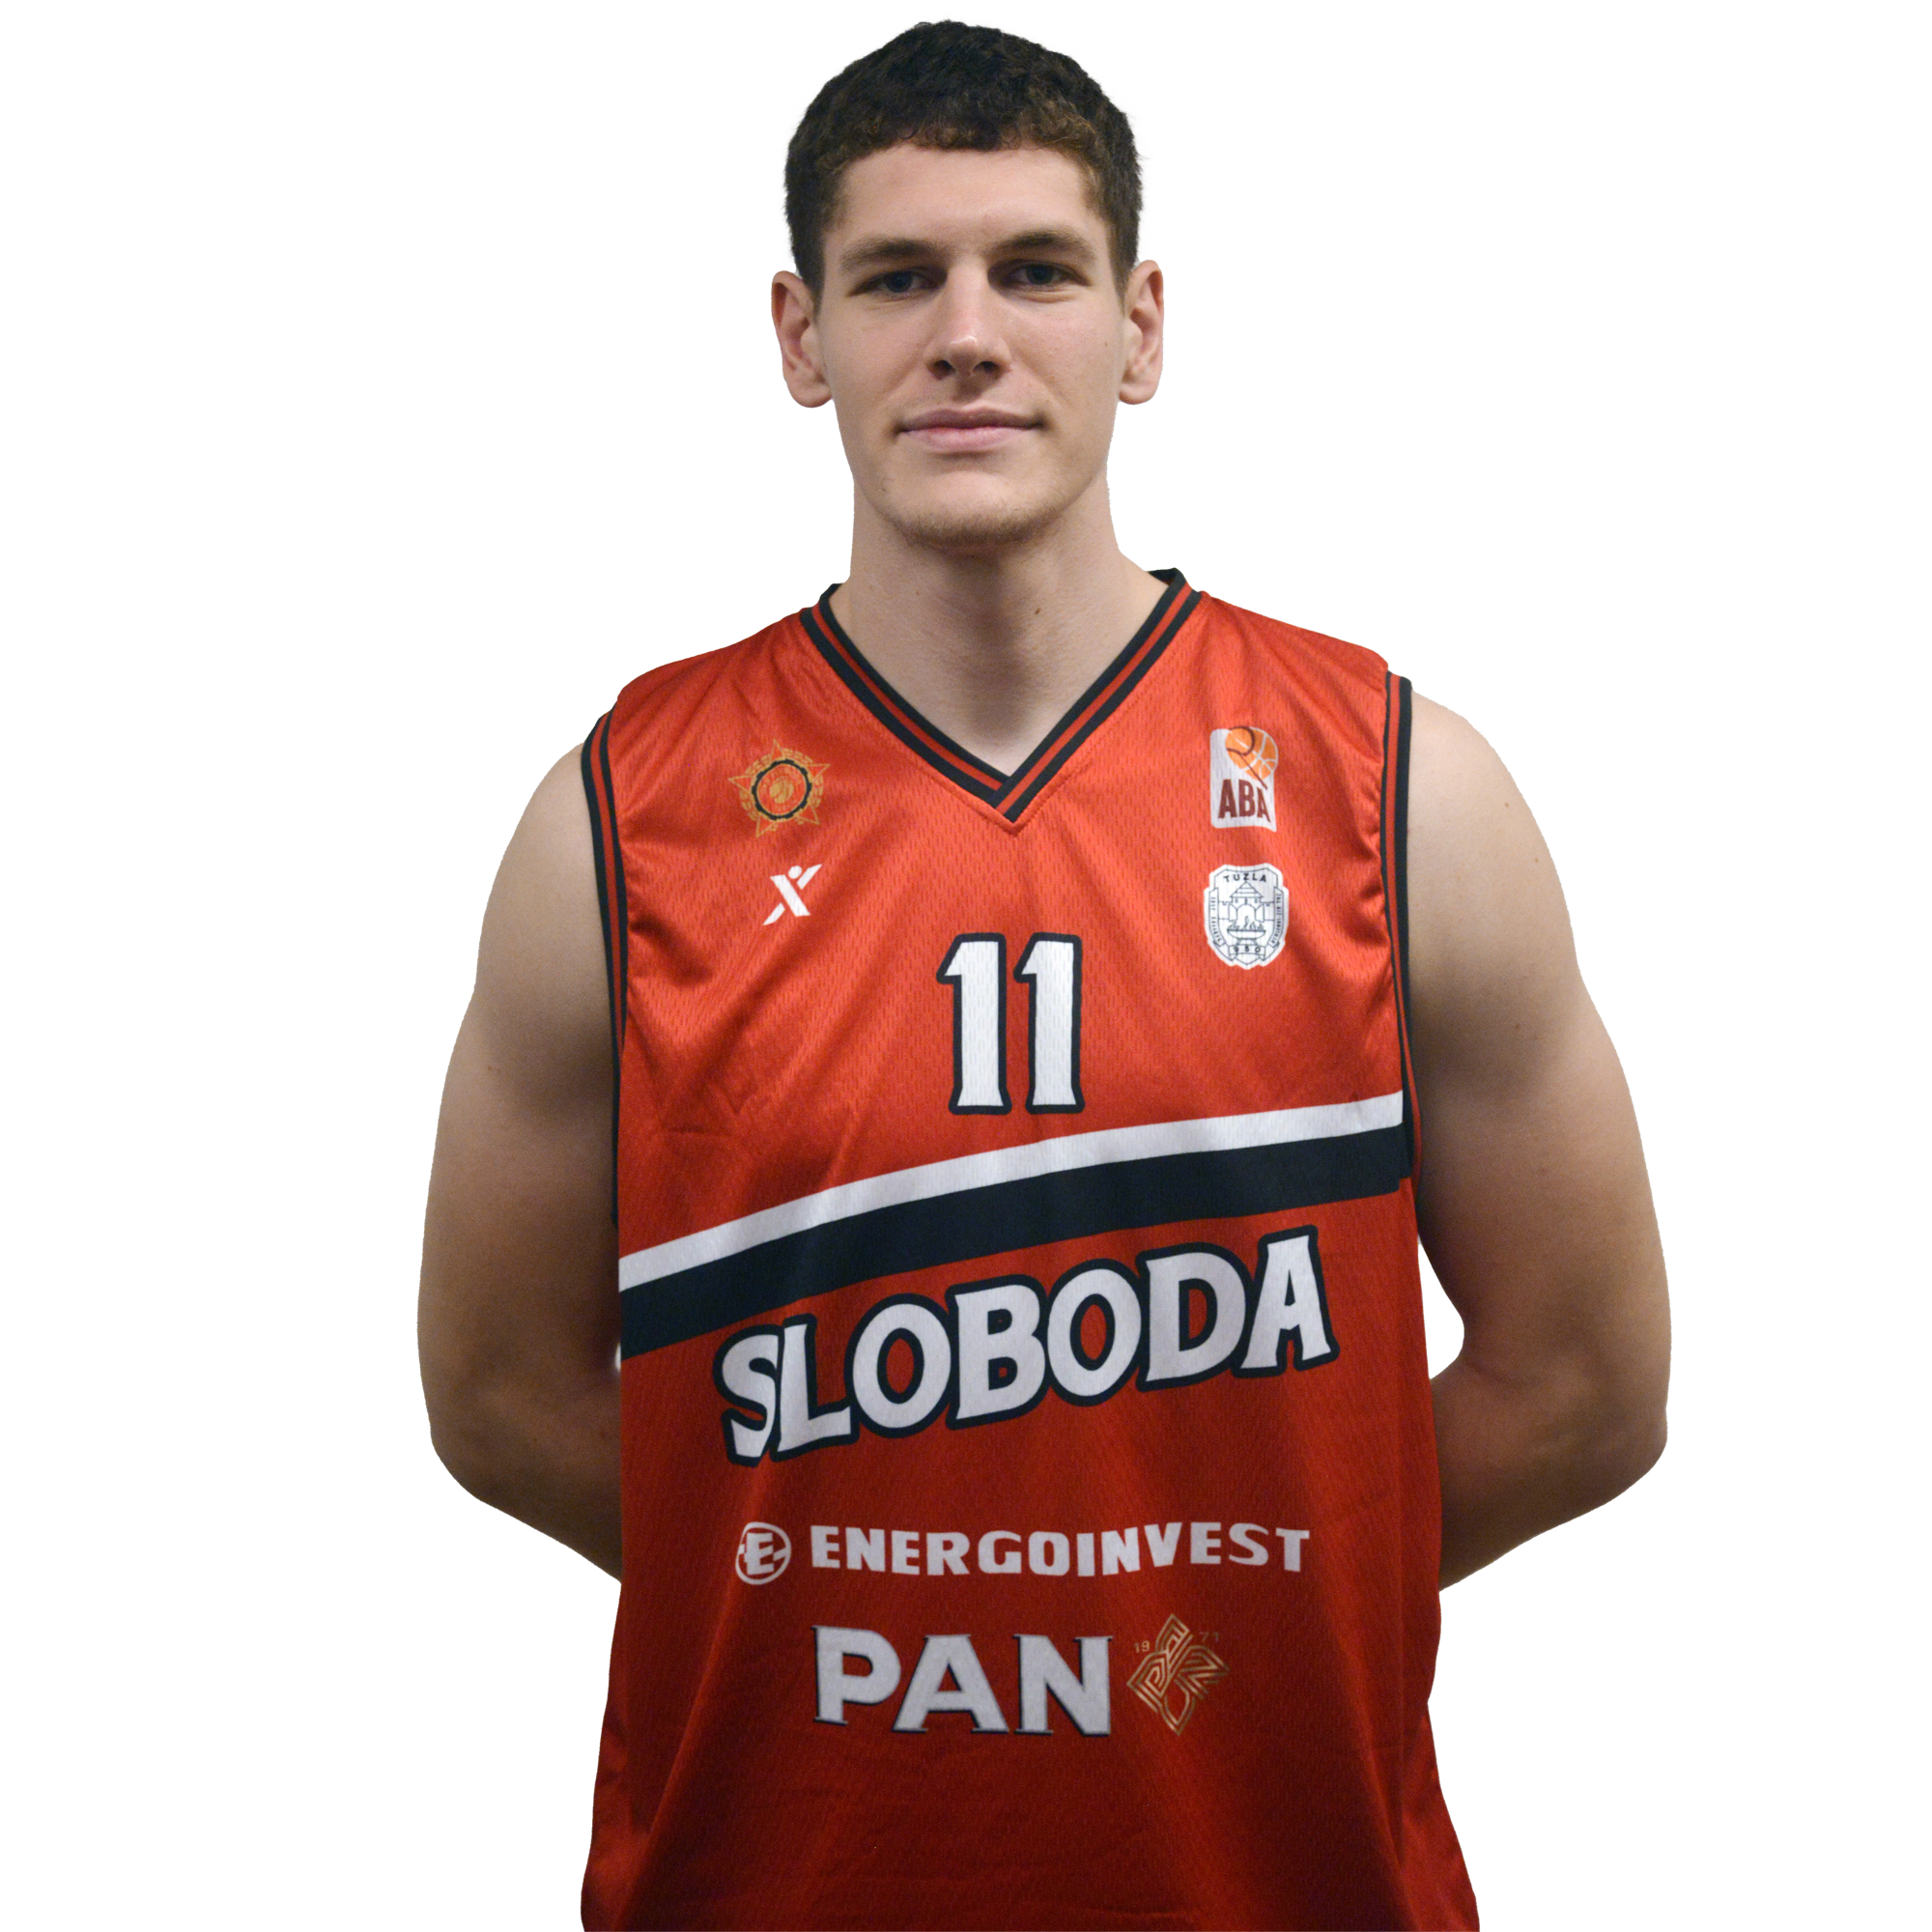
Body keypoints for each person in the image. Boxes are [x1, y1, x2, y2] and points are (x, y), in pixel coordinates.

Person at [422, 20, 1668, 1929]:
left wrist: (1261, 1579)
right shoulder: (618, 817)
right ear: (800, 334)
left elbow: (1584, 1384)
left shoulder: (1396, 789)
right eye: (895, 277)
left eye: (1035, 269)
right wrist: (809, 1587)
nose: (967, 334)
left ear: (1138, 326)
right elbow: (501, 1393)